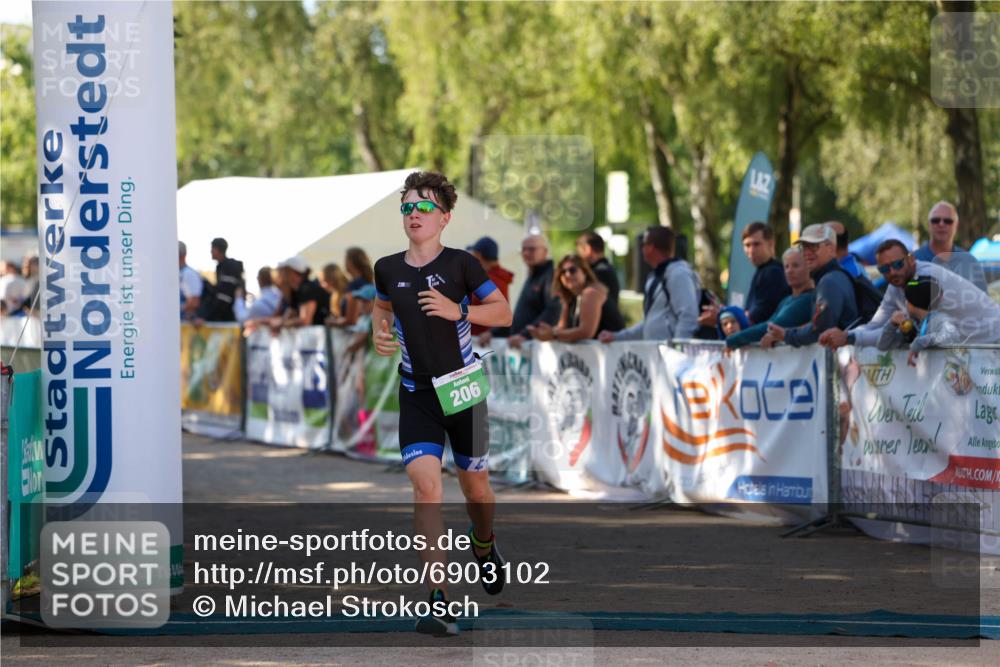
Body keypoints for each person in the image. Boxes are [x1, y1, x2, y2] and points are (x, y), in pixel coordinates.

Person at [371, 171, 512, 637]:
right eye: (408, 207)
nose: (414, 214)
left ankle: (484, 542)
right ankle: (439, 599)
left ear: (444, 218)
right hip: (417, 393)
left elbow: (505, 312)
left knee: (477, 493)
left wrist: (461, 310)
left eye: (423, 207)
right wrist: (379, 329)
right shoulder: (387, 267)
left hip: (463, 391)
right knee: (426, 487)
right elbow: (383, 304)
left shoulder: (462, 265)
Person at [818, 239, 1000, 363]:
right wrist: (844, 335)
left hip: (992, 345)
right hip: (978, 352)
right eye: (884, 269)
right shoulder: (898, 284)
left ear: (911, 260)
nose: (892, 272)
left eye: (897, 264)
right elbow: (875, 326)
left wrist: (848, 337)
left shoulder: (923, 282)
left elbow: (887, 336)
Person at [599, 226, 699, 343]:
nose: (642, 249)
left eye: (643, 244)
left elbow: (688, 316)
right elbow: (650, 324)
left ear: (650, 247)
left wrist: (678, 350)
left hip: (671, 356)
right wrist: (616, 337)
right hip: (656, 354)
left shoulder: (678, 274)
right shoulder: (655, 277)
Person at [766, 223, 859, 348]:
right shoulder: (831, 278)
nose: (807, 253)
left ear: (831, 249)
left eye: (814, 246)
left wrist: (786, 335)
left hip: (843, 362)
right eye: (804, 247)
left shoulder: (829, 282)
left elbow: (820, 330)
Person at [699, 221, 789, 329]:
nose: (751, 250)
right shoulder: (763, 271)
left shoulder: (772, 273)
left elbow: (754, 318)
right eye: (747, 245)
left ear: (771, 243)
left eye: (756, 244)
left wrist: (721, 316)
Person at [729, 247, 816, 349]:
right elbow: (769, 325)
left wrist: (732, 340)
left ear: (809, 268)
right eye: (786, 267)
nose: (790, 271)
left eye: (796, 265)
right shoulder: (786, 300)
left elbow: (771, 327)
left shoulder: (807, 299)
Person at [528, 254, 624, 343]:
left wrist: (553, 334)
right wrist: (546, 332)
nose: (567, 275)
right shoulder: (570, 298)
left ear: (585, 272)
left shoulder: (591, 293)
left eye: (572, 270)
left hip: (612, 356)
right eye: (562, 272)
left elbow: (586, 332)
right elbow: (562, 329)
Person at [499, 233, 561, 349]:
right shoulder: (533, 275)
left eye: (532, 249)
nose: (526, 253)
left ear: (545, 252)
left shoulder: (550, 275)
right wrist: (492, 333)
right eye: (523, 249)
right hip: (524, 348)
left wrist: (525, 336)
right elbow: (521, 316)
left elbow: (553, 310)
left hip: (537, 350)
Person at [913, 201, 987, 292]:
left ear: (957, 225)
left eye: (948, 221)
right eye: (935, 220)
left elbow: (983, 301)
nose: (941, 224)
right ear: (929, 224)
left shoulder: (970, 262)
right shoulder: (913, 261)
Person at [466, 236, 514, 337]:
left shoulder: (487, 280)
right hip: (490, 337)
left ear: (478, 255)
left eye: (473, 254)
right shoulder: (500, 277)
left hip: (483, 340)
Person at [276, 255, 331, 327]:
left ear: (291, 271)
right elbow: (290, 314)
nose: (279, 273)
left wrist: (281, 324)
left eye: (283, 270)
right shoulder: (296, 291)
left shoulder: (307, 288)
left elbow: (305, 320)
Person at [330, 247, 375, 327]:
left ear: (350, 263)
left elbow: (351, 320)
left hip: (354, 333)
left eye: (345, 260)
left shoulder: (355, 286)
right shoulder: (369, 283)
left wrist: (332, 322)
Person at [575, 231, 620, 310]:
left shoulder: (599, 272)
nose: (579, 256)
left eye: (580, 251)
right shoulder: (606, 269)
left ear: (588, 249)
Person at [178, 242, 203, 322]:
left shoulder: (189, 274)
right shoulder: (179, 273)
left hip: (185, 326)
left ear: (182, 256)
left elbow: (194, 302)